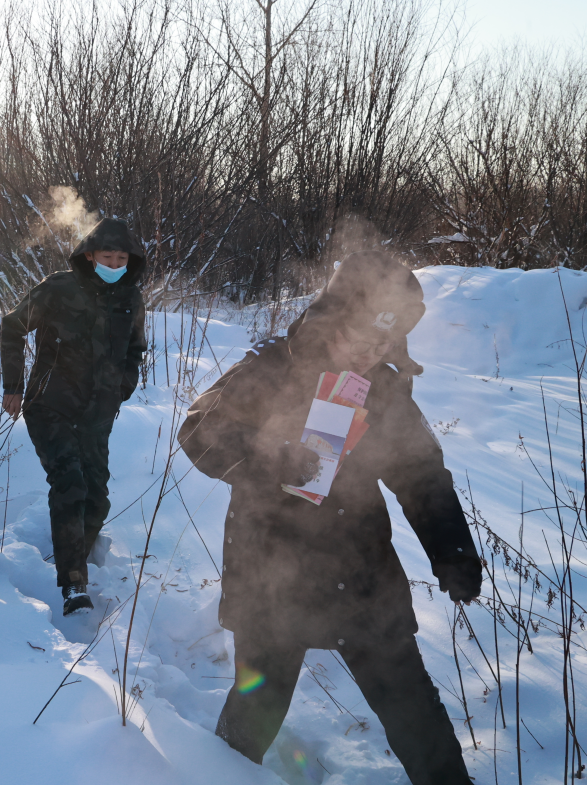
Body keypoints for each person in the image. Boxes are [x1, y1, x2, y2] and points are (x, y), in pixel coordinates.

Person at [177, 251, 482, 785]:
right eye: (359, 338)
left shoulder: (383, 390)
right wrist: (275, 458)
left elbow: (423, 477)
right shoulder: (270, 369)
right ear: (330, 320)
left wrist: (452, 549)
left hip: (361, 573)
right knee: (257, 704)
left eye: (383, 344)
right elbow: (199, 431)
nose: (369, 354)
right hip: (272, 574)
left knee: (413, 709)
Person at [0, 218, 147, 616]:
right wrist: (13, 385)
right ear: (90, 255)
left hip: (98, 412)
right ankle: (73, 584)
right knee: (69, 484)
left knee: (96, 498)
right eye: (107, 257)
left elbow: (135, 350)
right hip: (50, 406)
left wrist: (121, 388)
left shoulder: (131, 297)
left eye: (121, 259)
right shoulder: (58, 288)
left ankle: (74, 550)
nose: (114, 265)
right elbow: (12, 327)